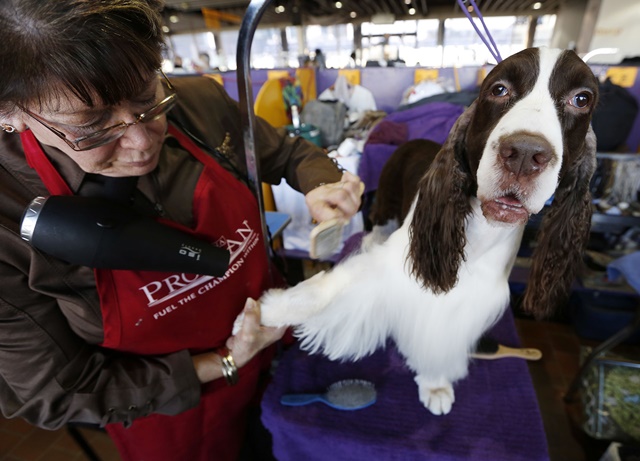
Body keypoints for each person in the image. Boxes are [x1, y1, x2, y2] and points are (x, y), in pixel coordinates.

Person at [0, 1, 363, 461]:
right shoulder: (8, 219)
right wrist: (225, 361)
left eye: (147, 97)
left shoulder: (200, 103)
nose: (142, 140)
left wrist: (322, 185)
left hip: (277, 345)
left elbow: (286, 152)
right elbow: (55, 391)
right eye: (91, 127)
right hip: (179, 413)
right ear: (8, 113)